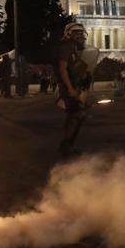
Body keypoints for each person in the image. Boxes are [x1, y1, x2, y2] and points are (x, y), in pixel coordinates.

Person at [55, 22, 92, 158]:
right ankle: (66, 147)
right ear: (70, 34)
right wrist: (70, 88)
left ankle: (67, 146)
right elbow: (62, 68)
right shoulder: (66, 48)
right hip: (67, 87)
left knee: (76, 116)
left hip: (73, 85)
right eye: (77, 33)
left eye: (81, 33)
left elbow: (74, 68)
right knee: (76, 115)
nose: (80, 36)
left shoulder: (73, 48)